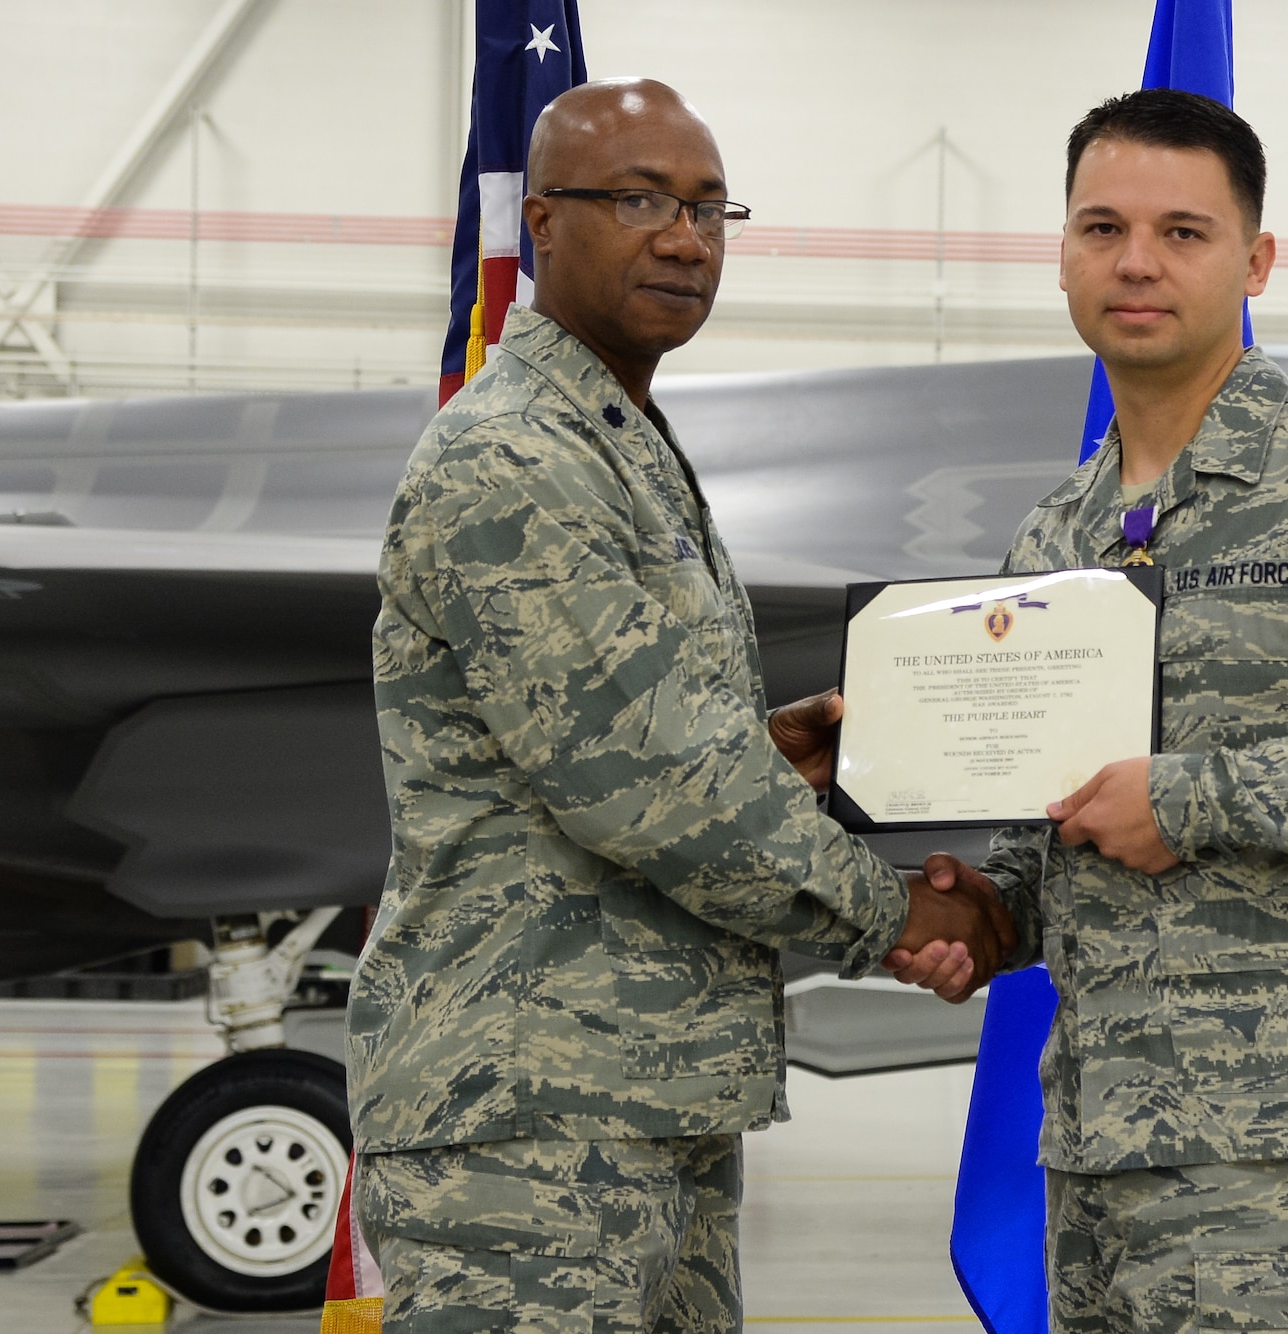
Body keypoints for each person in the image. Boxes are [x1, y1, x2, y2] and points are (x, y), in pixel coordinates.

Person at [349, 78, 1013, 1333]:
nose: (684, 237)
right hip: (527, 1123)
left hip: (645, 1101)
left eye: (711, 208)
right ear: (540, 222)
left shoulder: (623, 438)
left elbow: (631, 748)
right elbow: (653, 788)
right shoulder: (516, 455)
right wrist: (901, 914)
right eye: (639, 199)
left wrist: (766, 753)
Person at [891, 89, 1288, 1333]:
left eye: (1183, 231)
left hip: (1283, 1158)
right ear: (1062, 251)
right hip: (1092, 1146)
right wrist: (983, 916)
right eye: (1101, 227)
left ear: (1256, 259)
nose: (1135, 261)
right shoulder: (1056, 531)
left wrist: (1188, 798)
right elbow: (1063, 822)